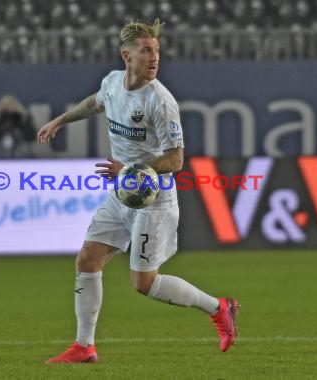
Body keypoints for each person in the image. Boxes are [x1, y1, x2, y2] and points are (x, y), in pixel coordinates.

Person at [37, 19, 239, 364]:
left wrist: (129, 171)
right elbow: (95, 103)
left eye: (157, 51)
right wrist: (60, 120)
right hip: (122, 192)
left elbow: (176, 160)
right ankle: (84, 347)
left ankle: (219, 308)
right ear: (126, 56)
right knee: (87, 259)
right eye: (146, 51)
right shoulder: (113, 82)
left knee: (143, 283)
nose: (154, 57)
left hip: (153, 199)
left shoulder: (160, 101)